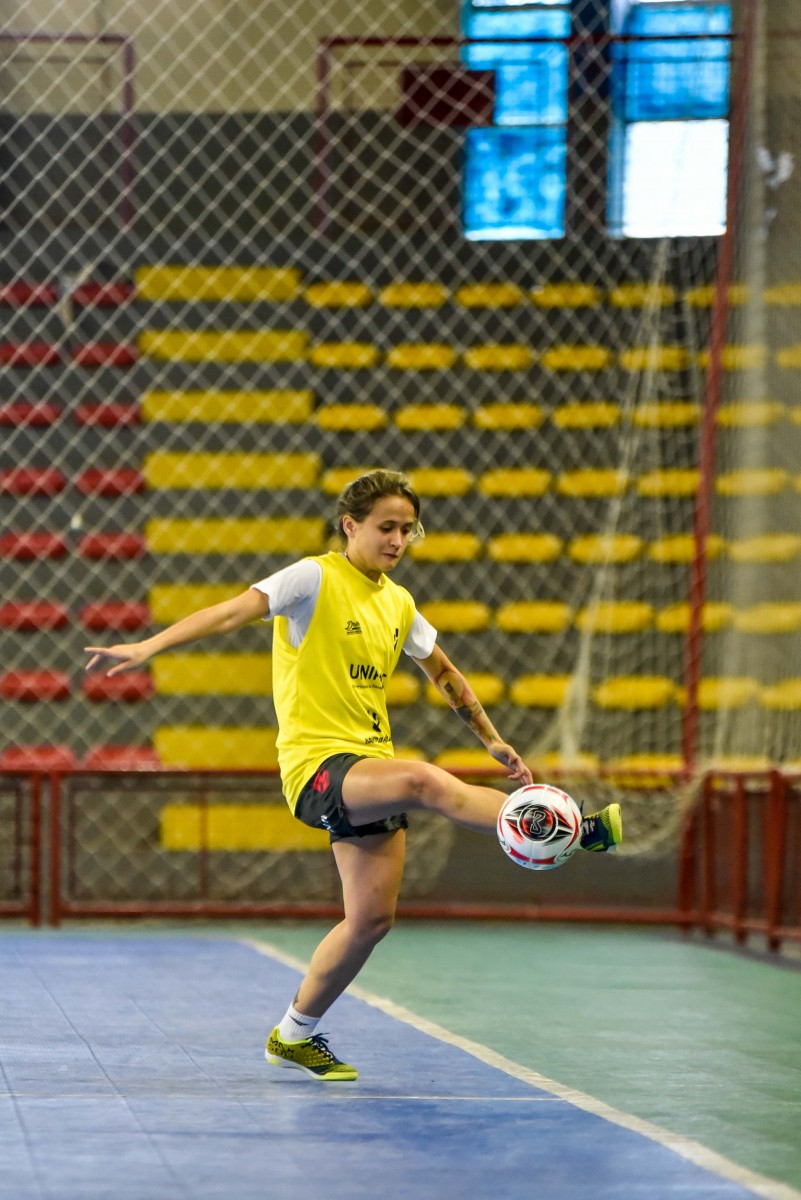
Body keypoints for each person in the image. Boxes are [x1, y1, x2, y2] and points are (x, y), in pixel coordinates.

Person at [84, 469, 622, 1083]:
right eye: (386, 527)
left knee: (370, 921)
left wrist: (492, 737)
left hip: (368, 767)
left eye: (407, 530)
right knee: (424, 781)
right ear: (351, 526)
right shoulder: (313, 578)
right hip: (318, 768)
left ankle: (293, 1035)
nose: (397, 540)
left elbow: (445, 673)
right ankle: (573, 831)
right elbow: (233, 612)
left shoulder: (398, 603)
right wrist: (149, 647)